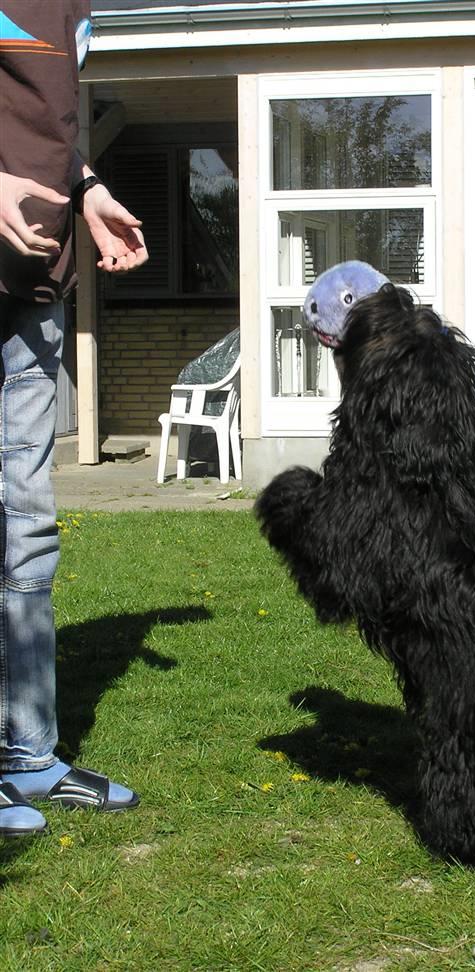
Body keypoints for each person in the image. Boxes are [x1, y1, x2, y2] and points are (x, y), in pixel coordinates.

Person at [0, 0, 149, 836]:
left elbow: (36, 125)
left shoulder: (73, 8)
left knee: (27, 532)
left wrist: (86, 188)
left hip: (33, 287)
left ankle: (26, 753)